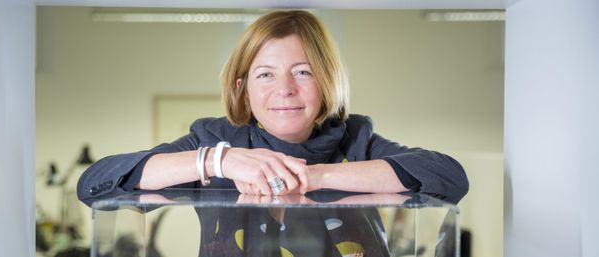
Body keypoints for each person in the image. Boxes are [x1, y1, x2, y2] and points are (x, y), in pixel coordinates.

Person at [76, 10, 469, 206]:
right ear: (242, 90)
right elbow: (94, 183)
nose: (285, 90)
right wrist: (216, 162)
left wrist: (311, 177)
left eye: (302, 72)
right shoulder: (215, 138)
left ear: (327, 81)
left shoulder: (357, 139)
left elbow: (449, 177)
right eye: (265, 75)